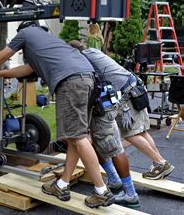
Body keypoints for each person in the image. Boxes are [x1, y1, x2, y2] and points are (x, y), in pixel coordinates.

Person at [0, 23, 114, 208]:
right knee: (75, 137)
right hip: (88, 80)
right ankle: (62, 185)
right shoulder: (48, 42)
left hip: (71, 83)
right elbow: (27, 70)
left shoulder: (26, 33)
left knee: (79, 137)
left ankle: (101, 191)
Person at [69, 41, 174, 182]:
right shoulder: (93, 51)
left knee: (130, 134)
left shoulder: (85, 59)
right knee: (141, 132)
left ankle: (160, 162)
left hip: (126, 94)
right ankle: (158, 163)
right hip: (135, 87)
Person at [67, 41, 143, 208]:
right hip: (104, 105)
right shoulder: (92, 53)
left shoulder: (84, 62)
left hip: (103, 108)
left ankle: (131, 194)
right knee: (94, 146)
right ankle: (114, 180)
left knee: (115, 149)